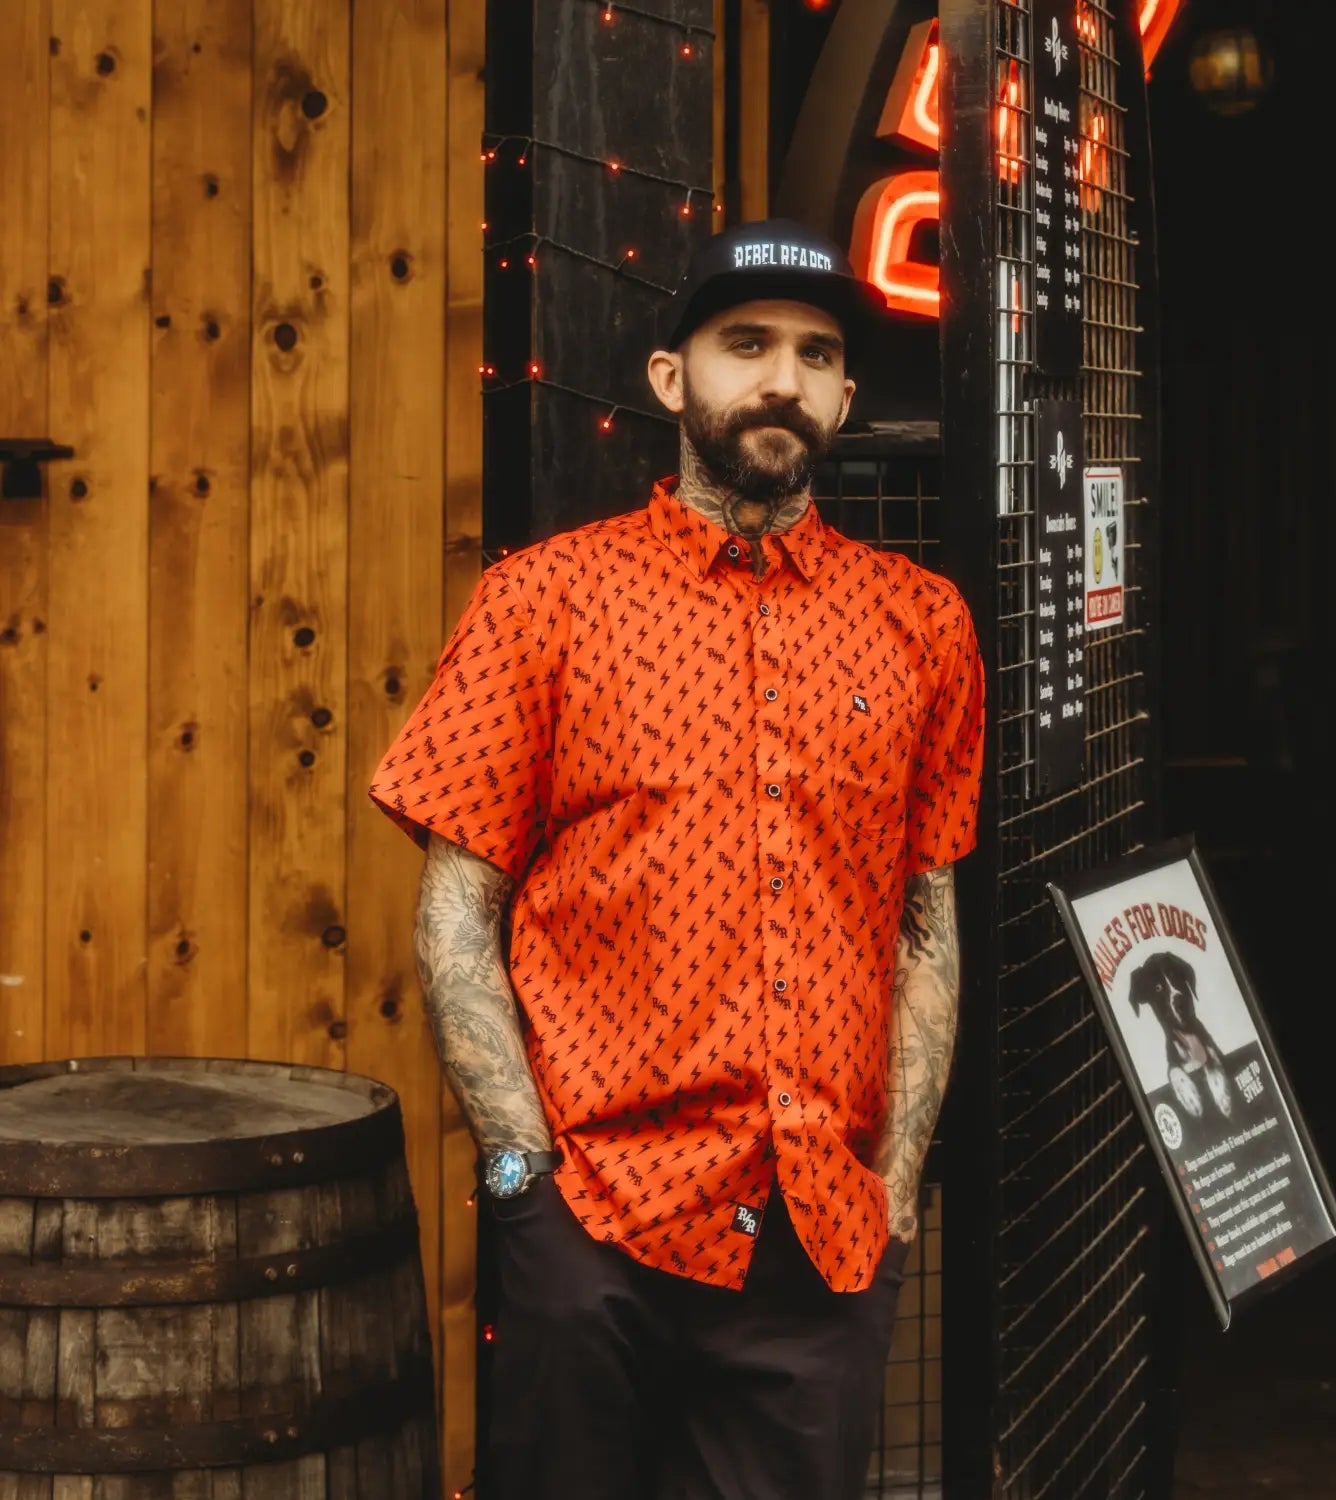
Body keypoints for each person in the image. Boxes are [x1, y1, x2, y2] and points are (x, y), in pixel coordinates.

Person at [369, 217, 985, 1500]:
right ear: (671, 379)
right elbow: (454, 912)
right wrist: (519, 1179)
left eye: (817, 355)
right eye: (744, 344)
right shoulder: (542, 601)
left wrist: (901, 1182)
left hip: (820, 1236)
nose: (782, 379)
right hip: (594, 1221)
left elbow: (927, 921)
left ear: (847, 395)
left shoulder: (921, 626)